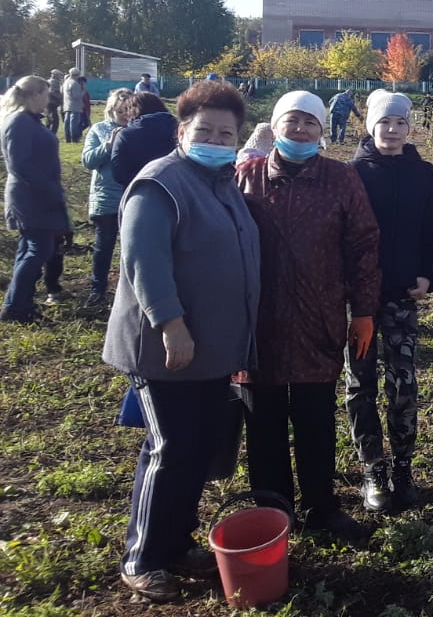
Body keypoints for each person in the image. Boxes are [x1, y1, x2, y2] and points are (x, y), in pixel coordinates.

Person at [101, 80, 260, 603]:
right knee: (169, 447)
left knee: (197, 447)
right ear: (181, 131)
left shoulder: (220, 182)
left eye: (226, 133)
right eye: (205, 130)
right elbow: (144, 260)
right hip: (165, 346)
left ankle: (177, 542)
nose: (215, 140)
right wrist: (171, 324)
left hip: (211, 347)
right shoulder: (160, 183)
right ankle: (143, 557)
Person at [236, 91, 381, 540]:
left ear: (321, 131)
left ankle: (322, 507)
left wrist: (363, 310)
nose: (300, 130)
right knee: (263, 423)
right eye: (292, 120)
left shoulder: (341, 179)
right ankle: (273, 511)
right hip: (258, 324)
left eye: (310, 123)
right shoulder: (247, 177)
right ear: (275, 125)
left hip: (319, 318)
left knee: (316, 418)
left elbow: (363, 246)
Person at [346, 89, 433, 512]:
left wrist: (429, 274)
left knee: (403, 383)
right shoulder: (353, 173)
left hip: (403, 294)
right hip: (360, 300)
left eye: (400, 122)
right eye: (384, 121)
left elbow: (429, 229)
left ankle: (403, 467)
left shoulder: (423, 174)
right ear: (371, 126)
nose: (392, 129)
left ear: (409, 127)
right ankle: (373, 469)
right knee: (360, 384)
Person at [1, 77, 71, 324]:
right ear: (34, 95)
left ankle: (19, 303)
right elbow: (19, 164)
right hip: (30, 197)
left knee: (28, 249)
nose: (49, 99)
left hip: (37, 194)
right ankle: (16, 307)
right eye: (46, 94)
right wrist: (49, 189)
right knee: (39, 249)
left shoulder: (28, 120)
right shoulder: (19, 121)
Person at [81, 88, 134, 307]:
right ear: (111, 110)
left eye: (129, 110)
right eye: (120, 111)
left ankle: (129, 292)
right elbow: (88, 160)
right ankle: (97, 290)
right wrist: (108, 145)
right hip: (107, 198)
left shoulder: (137, 131)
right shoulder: (99, 129)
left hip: (132, 197)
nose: (125, 115)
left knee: (131, 248)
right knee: (104, 246)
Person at [111, 93, 178, 188]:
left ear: (134, 110)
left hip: (139, 190)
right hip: (177, 188)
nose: (126, 114)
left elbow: (119, 175)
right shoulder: (180, 130)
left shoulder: (125, 135)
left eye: (127, 109)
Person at [62, 69, 85, 144]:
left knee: (67, 122)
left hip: (67, 104)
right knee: (74, 123)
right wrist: (83, 91)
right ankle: (74, 139)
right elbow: (76, 96)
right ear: (77, 75)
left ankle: (67, 138)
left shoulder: (66, 82)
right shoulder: (75, 83)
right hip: (75, 105)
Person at [45, 69, 64, 135]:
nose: (60, 77)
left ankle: (46, 134)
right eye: (59, 75)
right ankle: (51, 135)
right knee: (54, 121)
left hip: (48, 103)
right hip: (52, 103)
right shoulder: (54, 82)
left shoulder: (48, 81)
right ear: (55, 75)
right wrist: (60, 97)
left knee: (48, 121)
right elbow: (53, 92)